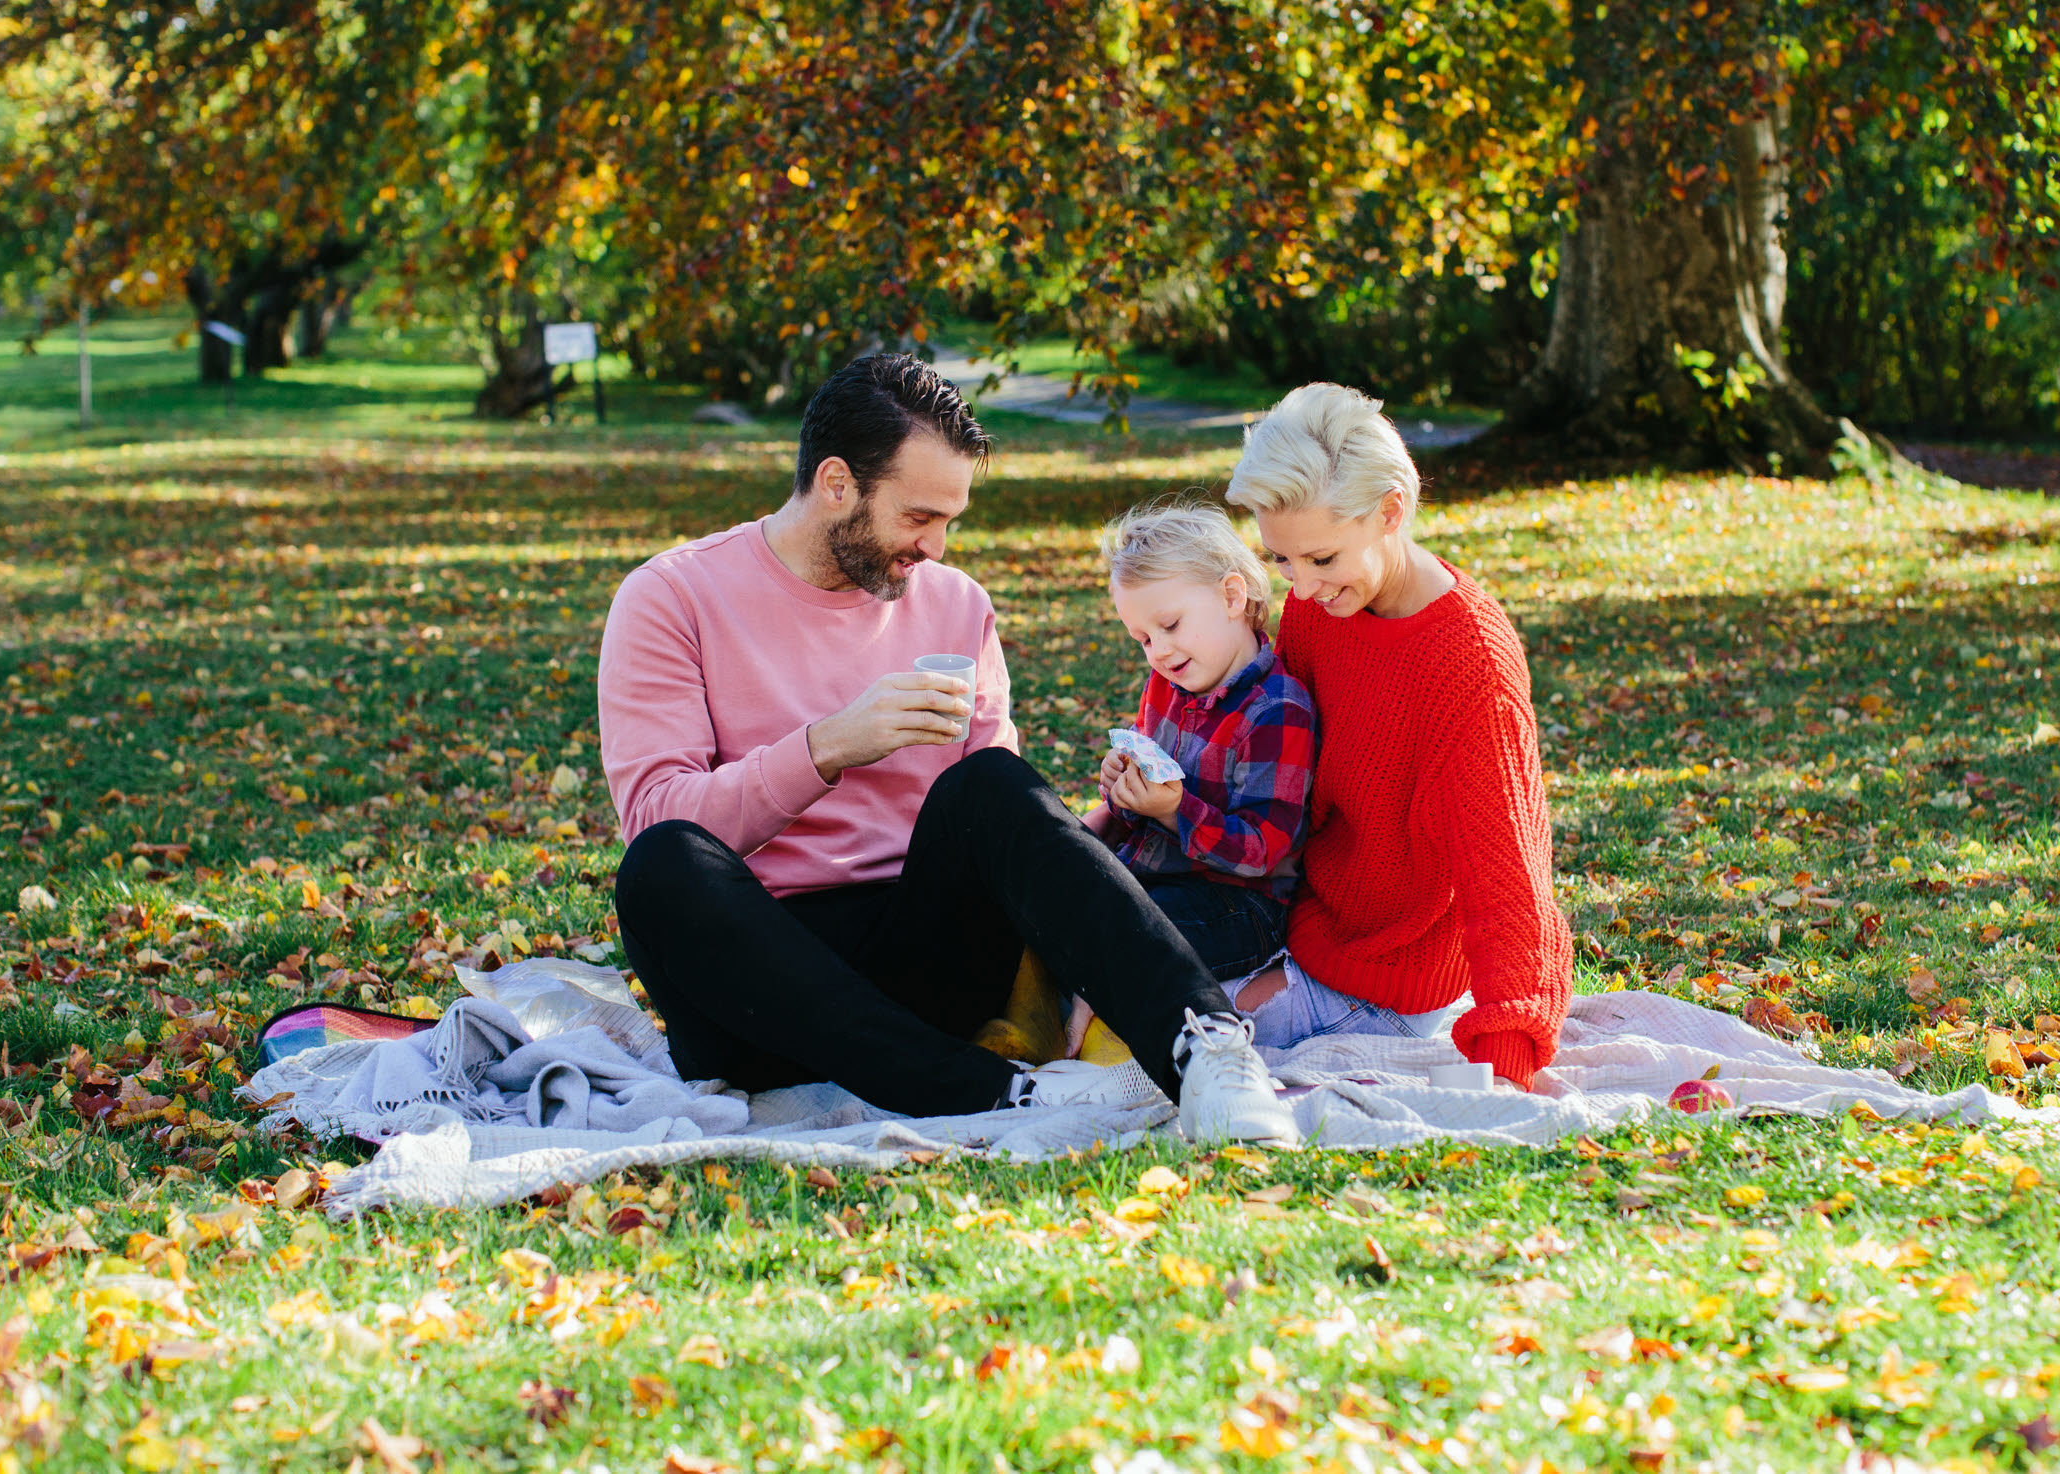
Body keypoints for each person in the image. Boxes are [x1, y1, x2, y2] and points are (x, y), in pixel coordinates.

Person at [598, 354, 1294, 1144]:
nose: (935, 547)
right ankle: (988, 1092)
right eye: (919, 517)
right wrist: (829, 746)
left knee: (993, 781)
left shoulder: (956, 604)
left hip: (931, 957)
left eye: (949, 521)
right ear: (836, 484)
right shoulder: (671, 597)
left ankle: (1206, 1050)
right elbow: (657, 820)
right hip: (762, 988)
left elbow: (1003, 833)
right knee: (660, 866)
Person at [1222, 382, 1571, 1087]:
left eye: (1321, 558)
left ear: (1391, 512)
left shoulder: (1471, 665)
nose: (1304, 586)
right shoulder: (1322, 607)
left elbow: (1509, 876)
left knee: (1166, 1026)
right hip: (1293, 920)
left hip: (1386, 978)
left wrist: (1507, 1062)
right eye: (1282, 560)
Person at [1083, 501, 1314, 981]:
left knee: (1122, 931)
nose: (1159, 652)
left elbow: (1261, 852)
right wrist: (1125, 790)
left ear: (1232, 597)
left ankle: (1102, 1021)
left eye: (1169, 626)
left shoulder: (1277, 711)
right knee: (1061, 894)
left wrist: (1172, 810)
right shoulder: (1169, 685)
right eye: (1143, 639)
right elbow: (1142, 801)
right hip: (1152, 876)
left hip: (1237, 906)